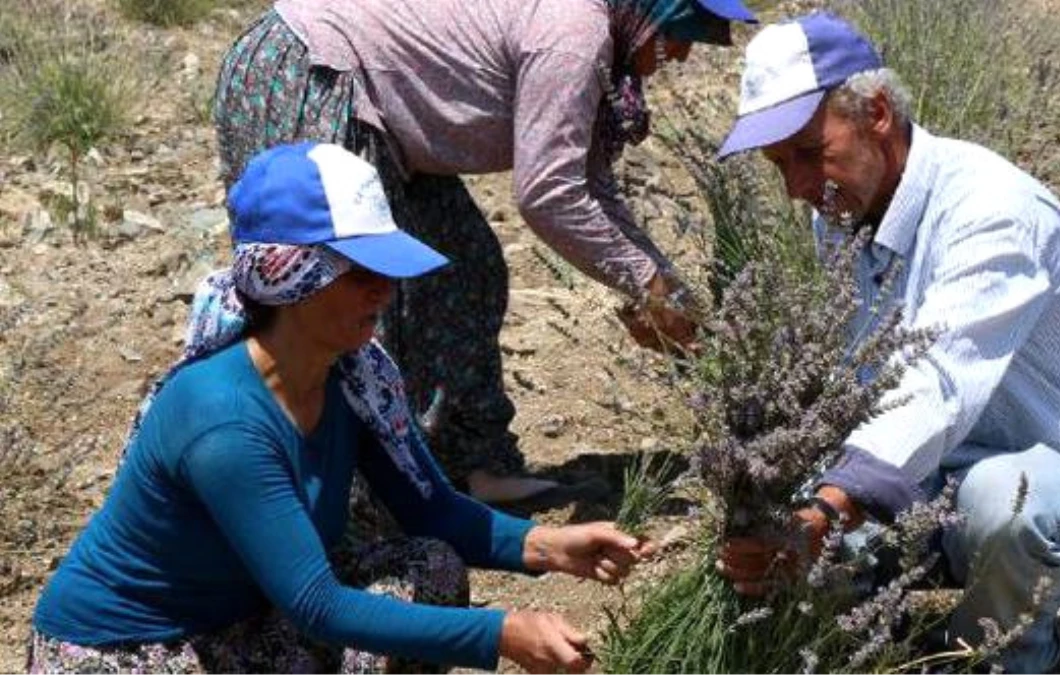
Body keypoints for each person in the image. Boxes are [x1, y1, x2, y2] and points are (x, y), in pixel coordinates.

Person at [28, 143, 651, 674]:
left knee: (426, 566)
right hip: (128, 650)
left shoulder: (352, 378)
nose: (385, 289)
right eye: (360, 272)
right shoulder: (223, 419)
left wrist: (547, 545)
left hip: (235, 617)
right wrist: (501, 634)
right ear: (289, 279)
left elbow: (430, 511)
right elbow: (315, 604)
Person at [712, 12, 1060, 674]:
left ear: (876, 112)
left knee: (1005, 496)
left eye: (807, 153)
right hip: (928, 489)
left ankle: (1004, 657)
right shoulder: (849, 209)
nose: (796, 188)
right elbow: (866, 383)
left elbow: (935, 381)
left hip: (1059, 497)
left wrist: (828, 505)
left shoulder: (991, 211)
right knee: (784, 543)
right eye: (778, 165)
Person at [212, 0, 758, 504]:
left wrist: (665, 288)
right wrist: (647, 284)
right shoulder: (574, 35)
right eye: (680, 35)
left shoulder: (595, 33)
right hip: (315, 69)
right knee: (334, 295)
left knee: (465, 269)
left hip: (393, 124)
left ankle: (468, 465)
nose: (683, 54)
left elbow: (591, 185)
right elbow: (548, 194)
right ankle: (325, 496)